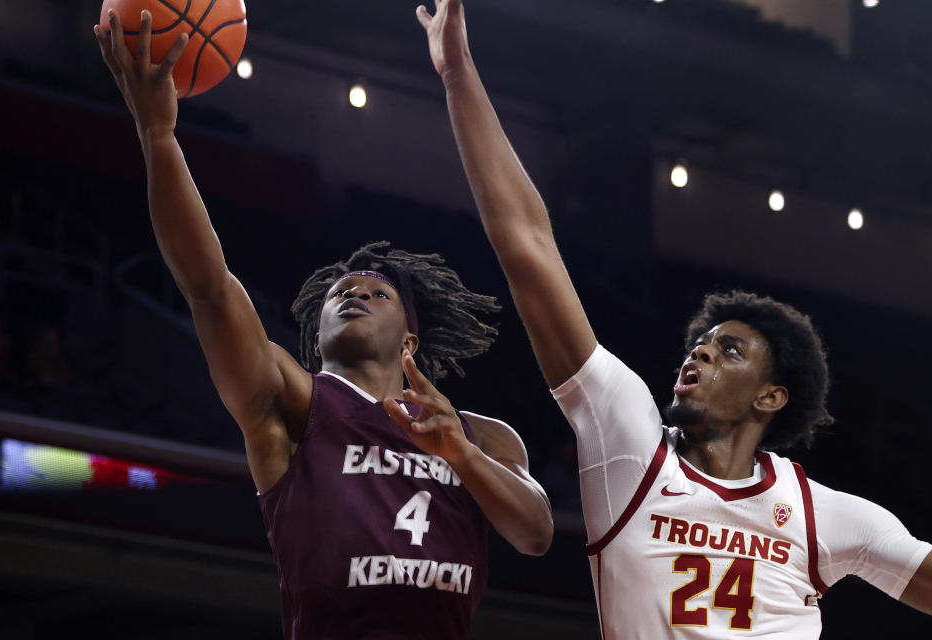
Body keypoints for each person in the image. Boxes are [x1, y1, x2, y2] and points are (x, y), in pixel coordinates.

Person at [417, 0, 932, 636]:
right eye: (702, 346)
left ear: (772, 396)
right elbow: (527, 244)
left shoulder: (821, 514)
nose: (701, 355)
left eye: (730, 352)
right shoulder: (629, 443)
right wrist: (458, 73)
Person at [93, 11, 552, 640]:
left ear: (410, 340)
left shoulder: (485, 438)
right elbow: (208, 288)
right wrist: (159, 135)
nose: (354, 294)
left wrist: (461, 455)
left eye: (376, 292)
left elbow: (536, 534)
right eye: (341, 292)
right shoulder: (295, 404)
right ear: (316, 336)